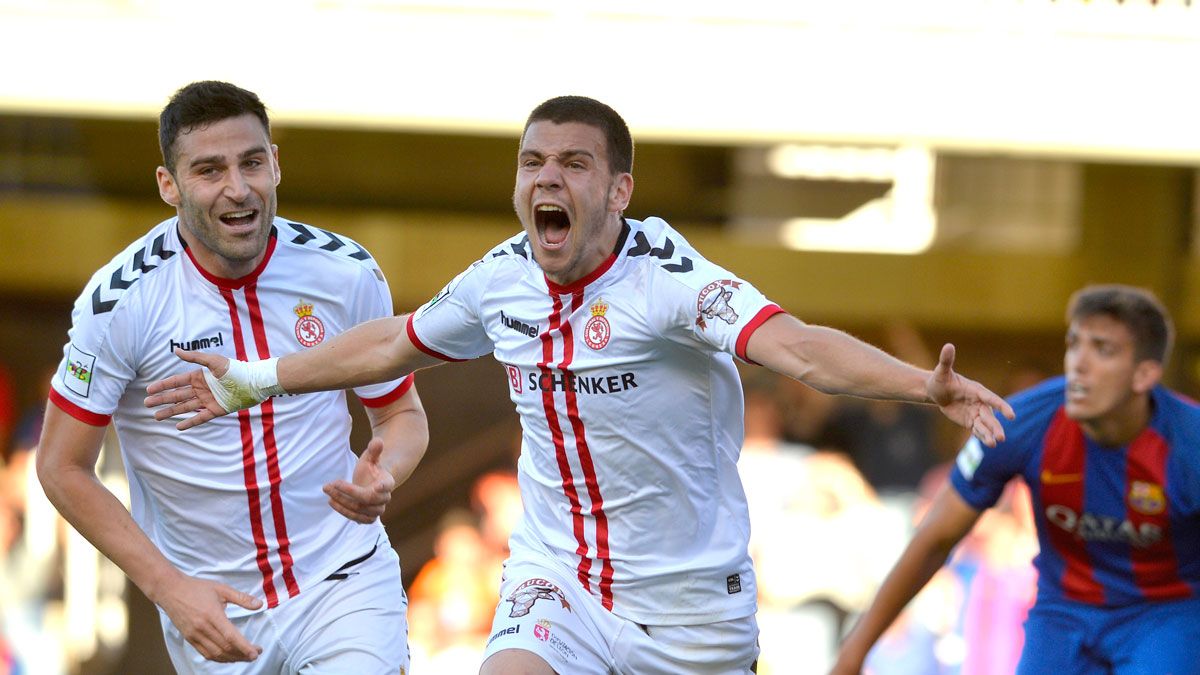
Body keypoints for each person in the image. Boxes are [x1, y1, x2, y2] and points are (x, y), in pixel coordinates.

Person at [145, 95, 1013, 675]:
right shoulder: (501, 279)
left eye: (573, 163)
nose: (546, 179)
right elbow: (389, 345)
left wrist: (920, 386)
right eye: (531, 163)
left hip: (692, 607)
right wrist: (254, 378)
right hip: (558, 579)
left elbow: (800, 348)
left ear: (619, 189)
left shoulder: (670, 279)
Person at [36, 81, 428, 674]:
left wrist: (386, 475)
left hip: (342, 579)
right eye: (209, 170)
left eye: (252, 162)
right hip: (214, 608)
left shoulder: (345, 272)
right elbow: (60, 467)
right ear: (168, 185)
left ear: (276, 164)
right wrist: (168, 588)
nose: (238, 189)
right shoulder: (120, 301)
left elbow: (401, 416)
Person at [832, 284, 1200, 675]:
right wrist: (853, 655)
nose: (1079, 362)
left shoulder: (1189, 444)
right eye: (1074, 344)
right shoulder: (1020, 422)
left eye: (1103, 349)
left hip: (1165, 613)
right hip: (1064, 612)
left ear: (1144, 374)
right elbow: (935, 539)